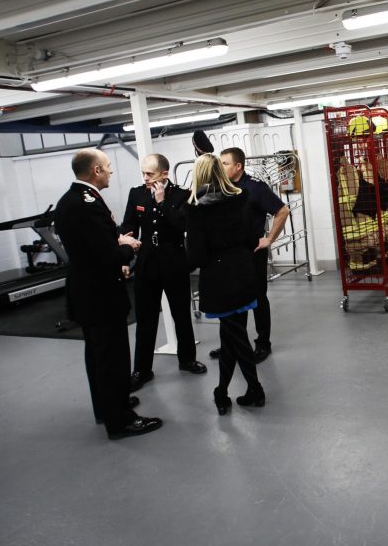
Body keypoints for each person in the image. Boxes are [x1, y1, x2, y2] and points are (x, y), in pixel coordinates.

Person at [54, 148, 162, 440]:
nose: (111, 171)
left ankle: (107, 406)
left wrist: (116, 244)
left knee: (98, 355)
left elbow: (94, 243)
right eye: (107, 166)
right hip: (100, 293)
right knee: (113, 357)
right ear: (95, 172)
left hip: (87, 290)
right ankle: (121, 420)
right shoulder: (87, 203)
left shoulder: (71, 200)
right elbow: (107, 254)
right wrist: (129, 247)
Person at [186, 153, 265, 413]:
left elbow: (196, 256)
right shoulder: (241, 197)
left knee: (235, 336)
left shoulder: (197, 209)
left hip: (220, 278)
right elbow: (252, 236)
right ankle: (222, 391)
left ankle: (254, 389)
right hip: (243, 271)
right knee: (231, 335)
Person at [121, 153, 206, 392]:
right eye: (143, 174)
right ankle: (142, 369)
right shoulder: (136, 194)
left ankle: (187, 359)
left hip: (174, 262)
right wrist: (125, 251)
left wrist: (161, 202)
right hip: (147, 263)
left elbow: (182, 225)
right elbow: (129, 225)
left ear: (164, 174)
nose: (145, 178)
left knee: (181, 313)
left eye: (150, 174)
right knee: (146, 318)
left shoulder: (181, 195)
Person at [208, 147, 289, 364]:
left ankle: (263, 343)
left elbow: (282, 210)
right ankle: (233, 344)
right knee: (233, 299)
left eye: (225, 163)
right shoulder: (220, 188)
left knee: (257, 297)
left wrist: (269, 238)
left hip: (251, 251)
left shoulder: (255, 188)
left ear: (238, 166)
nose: (221, 167)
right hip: (228, 254)